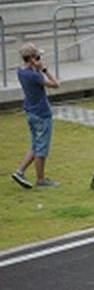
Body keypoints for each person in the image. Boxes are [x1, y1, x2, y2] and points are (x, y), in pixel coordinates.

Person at [12, 42, 61, 190]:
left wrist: (35, 67)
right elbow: (56, 84)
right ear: (32, 58)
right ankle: (41, 180)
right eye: (37, 56)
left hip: (30, 112)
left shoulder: (21, 72)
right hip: (41, 113)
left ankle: (19, 171)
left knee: (35, 145)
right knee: (41, 148)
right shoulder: (34, 75)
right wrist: (44, 69)